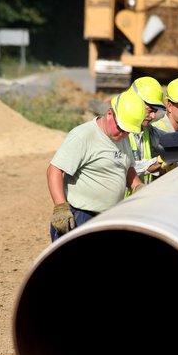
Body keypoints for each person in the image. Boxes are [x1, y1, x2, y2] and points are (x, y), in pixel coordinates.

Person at [47, 89, 147, 241]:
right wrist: (60, 207)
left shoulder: (122, 137)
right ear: (109, 114)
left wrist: (137, 186)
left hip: (108, 218)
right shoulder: (84, 136)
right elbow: (54, 170)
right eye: (120, 128)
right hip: (81, 217)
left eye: (127, 131)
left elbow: (125, 167)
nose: (123, 134)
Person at [126, 76, 167, 194]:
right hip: (117, 207)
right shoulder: (117, 132)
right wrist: (154, 163)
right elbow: (120, 166)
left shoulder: (147, 131)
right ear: (135, 103)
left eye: (156, 111)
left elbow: (169, 140)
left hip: (139, 203)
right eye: (150, 110)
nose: (153, 116)